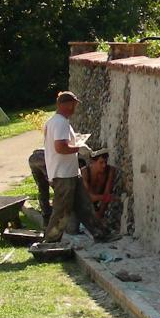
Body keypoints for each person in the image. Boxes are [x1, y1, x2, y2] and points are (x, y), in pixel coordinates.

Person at [42, 90, 107, 243]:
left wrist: (77, 142)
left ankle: (100, 233)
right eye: (73, 105)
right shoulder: (60, 123)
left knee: (84, 206)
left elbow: (62, 144)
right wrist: (79, 149)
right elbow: (60, 148)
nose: (74, 108)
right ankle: (50, 241)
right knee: (61, 211)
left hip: (70, 173)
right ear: (67, 105)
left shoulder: (55, 121)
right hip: (63, 175)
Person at [80, 148, 115, 232]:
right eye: (101, 162)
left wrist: (100, 214)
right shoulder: (84, 172)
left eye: (105, 162)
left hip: (97, 202)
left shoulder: (109, 171)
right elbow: (88, 197)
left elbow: (107, 193)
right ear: (92, 162)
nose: (104, 165)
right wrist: (105, 198)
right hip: (82, 204)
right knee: (72, 229)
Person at [27, 148, 53, 221]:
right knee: (56, 187)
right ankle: (57, 210)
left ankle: (45, 212)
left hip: (32, 159)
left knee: (42, 188)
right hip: (43, 158)